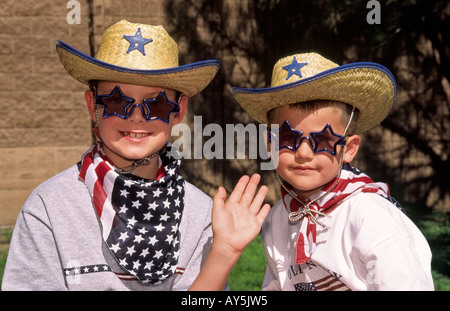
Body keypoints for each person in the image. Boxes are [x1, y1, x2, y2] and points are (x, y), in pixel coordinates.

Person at [2, 20, 270, 291]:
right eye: (117, 100)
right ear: (92, 105)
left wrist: (223, 253)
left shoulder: (201, 215)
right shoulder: (49, 209)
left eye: (157, 103)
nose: (136, 117)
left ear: (178, 110)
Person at [231, 52, 434, 291]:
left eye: (323, 140)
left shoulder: (367, 214)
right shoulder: (277, 218)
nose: (304, 153)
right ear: (269, 144)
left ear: (348, 149)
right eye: (287, 137)